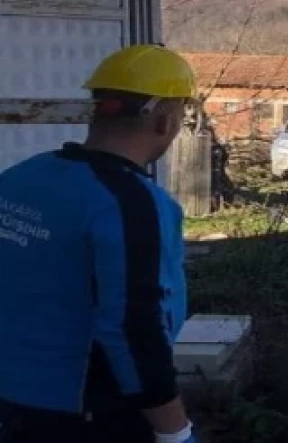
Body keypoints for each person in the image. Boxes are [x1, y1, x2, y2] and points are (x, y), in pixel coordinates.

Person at [0, 45, 199, 443]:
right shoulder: (131, 202)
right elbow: (133, 325)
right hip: (87, 413)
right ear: (164, 121)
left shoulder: (20, 177)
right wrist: (175, 431)